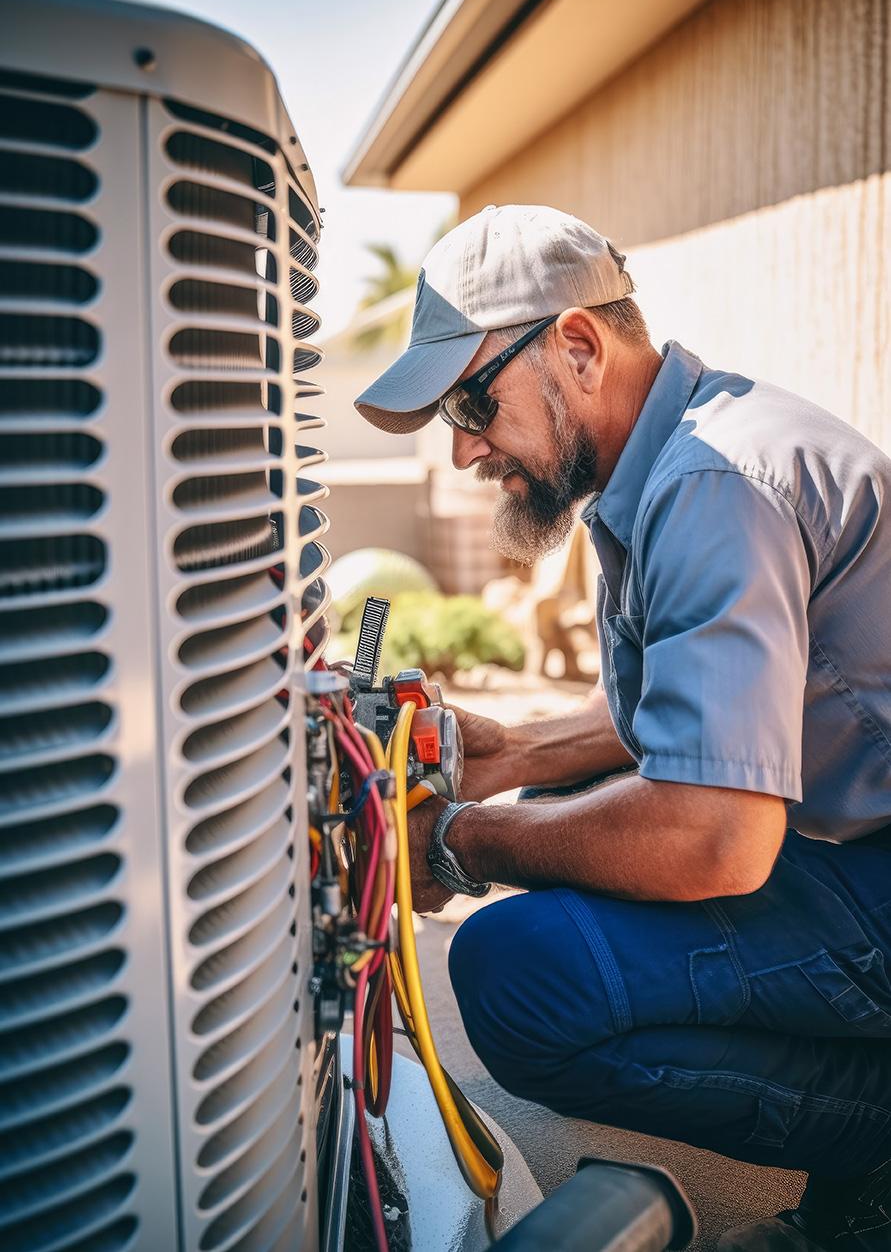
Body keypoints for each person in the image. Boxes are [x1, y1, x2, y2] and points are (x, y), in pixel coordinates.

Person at [354, 205, 891, 1251]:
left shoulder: (711, 484)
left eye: (474, 399)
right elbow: (689, 720)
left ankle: (869, 1143)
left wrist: (462, 845)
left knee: (516, 972)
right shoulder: (676, 454)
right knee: (563, 817)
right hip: (860, 847)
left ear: (581, 346)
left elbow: (713, 832)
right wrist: (504, 754)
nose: (464, 448)